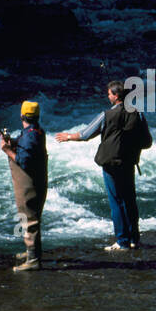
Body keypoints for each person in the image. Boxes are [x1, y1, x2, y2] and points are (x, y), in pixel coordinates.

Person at [55, 80, 142, 249]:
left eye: (109, 93)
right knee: (130, 200)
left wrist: (68, 137)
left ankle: (122, 241)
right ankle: (134, 239)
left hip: (111, 163)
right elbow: (146, 140)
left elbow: (86, 134)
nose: (107, 96)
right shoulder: (137, 114)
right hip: (129, 162)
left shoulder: (106, 115)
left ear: (116, 96)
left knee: (116, 201)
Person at [1, 101, 48, 272]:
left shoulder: (29, 136)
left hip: (29, 184)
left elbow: (23, 161)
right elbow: (27, 150)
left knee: (29, 219)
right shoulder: (36, 131)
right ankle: (31, 251)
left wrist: (7, 150)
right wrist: (13, 142)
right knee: (30, 216)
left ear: (22, 116)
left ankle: (33, 259)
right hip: (36, 181)